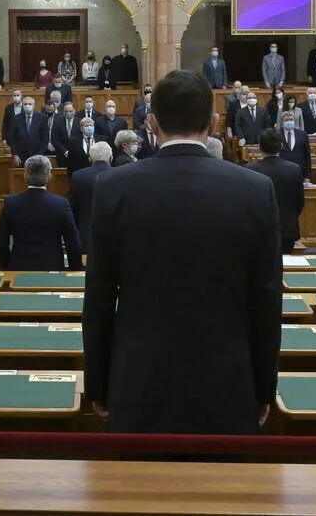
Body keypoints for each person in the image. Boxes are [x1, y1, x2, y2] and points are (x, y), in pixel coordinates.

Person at [83, 69, 281, 434]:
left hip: (138, 379)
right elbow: (266, 300)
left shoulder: (113, 187)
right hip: (227, 380)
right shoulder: (255, 190)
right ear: (214, 121)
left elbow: (98, 296)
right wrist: (264, 387)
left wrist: (98, 383)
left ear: (152, 123)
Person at [0, 155, 83, 270]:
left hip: (19, 268)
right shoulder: (61, 204)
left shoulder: (11, 203)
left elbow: (1, 243)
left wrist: (8, 266)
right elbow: (72, 243)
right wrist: (75, 269)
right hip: (52, 268)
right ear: (49, 177)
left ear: (25, 176)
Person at [246, 128, 306, 254]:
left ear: (259, 147)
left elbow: (247, 202)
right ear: (281, 146)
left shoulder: (250, 169)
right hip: (287, 228)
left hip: (258, 228)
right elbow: (300, 202)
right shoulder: (294, 169)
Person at [69, 141, 113, 252]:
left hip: (86, 235)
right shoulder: (121, 175)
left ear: (90, 159)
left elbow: (73, 208)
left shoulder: (78, 176)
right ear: (111, 158)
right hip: (113, 236)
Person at [8, 95, 48, 167]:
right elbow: (12, 138)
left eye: (30, 104)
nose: (27, 106)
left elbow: (45, 138)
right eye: (25, 104)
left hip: (37, 156)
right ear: (22, 106)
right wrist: (14, 154)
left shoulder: (42, 117)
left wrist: (40, 155)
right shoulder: (16, 118)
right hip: (21, 157)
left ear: (34, 106)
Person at [276, 110, 312, 180]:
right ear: (282, 122)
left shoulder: (303, 134)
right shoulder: (276, 134)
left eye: (291, 120)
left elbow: (307, 156)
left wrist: (307, 175)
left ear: (294, 121)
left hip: (299, 171)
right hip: (281, 171)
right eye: (286, 120)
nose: (289, 122)